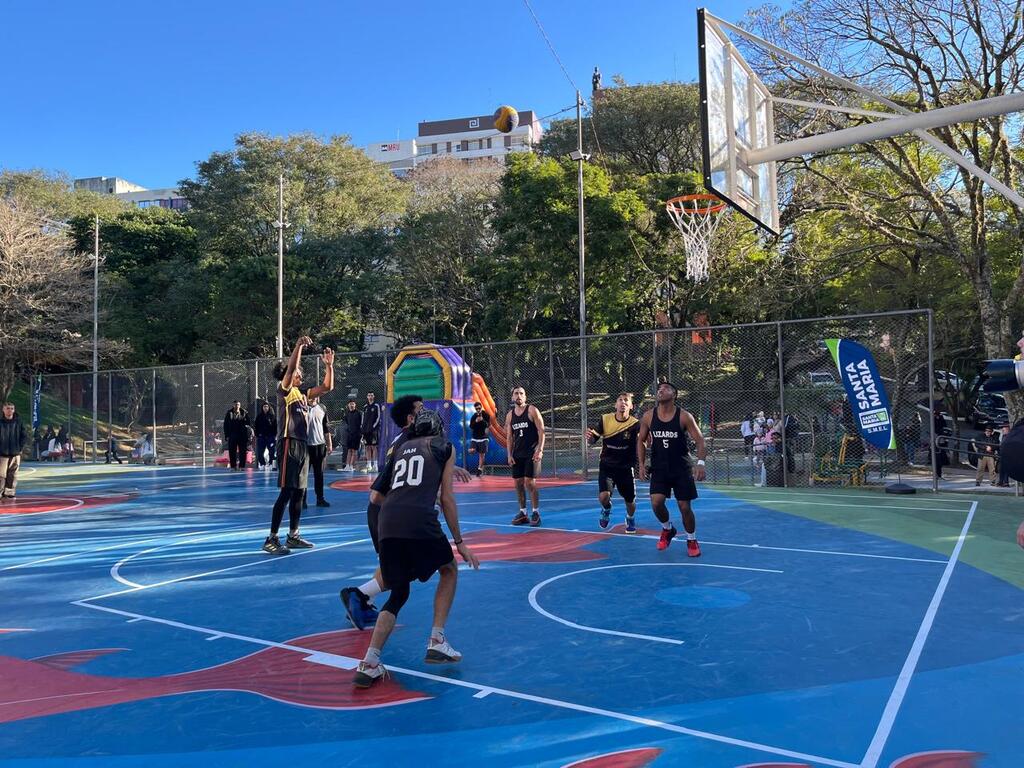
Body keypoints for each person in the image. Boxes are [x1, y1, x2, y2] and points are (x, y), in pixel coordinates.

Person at [352, 409, 480, 688]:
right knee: (449, 569)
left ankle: (370, 662)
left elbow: (377, 495)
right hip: (417, 520)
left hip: (388, 521)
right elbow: (447, 499)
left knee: (399, 592)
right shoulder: (444, 447)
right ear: (438, 430)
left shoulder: (399, 449)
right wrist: (460, 542)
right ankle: (437, 639)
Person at [341, 395, 474, 630]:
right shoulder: (408, 441)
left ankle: (362, 599)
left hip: (388, 509)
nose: (426, 414)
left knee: (394, 565)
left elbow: (413, 472)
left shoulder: (405, 441)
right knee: (406, 568)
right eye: (421, 410)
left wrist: (450, 469)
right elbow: (391, 487)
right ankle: (359, 595)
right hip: (389, 509)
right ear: (411, 418)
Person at [262, 337, 334, 555]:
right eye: (298, 372)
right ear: (290, 376)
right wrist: (299, 346)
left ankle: (293, 535)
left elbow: (327, 387)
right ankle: (271, 538)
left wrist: (329, 366)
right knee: (286, 492)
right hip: (288, 444)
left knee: (299, 493)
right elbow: (292, 367)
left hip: (303, 445)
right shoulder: (284, 391)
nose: (300, 374)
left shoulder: (304, 395)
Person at [637, 381, 707, 554]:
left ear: (674, 395)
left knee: (684, 507)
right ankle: (667, 529)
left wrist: (700, 463)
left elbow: (700, 440)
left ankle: (691, 540)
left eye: (666, 388)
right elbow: (641, 440)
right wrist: (641, 464)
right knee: (656, 503)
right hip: (659, 467)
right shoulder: (648, 416)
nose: (661, 390)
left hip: (681, 468)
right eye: (659, 389)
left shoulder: (684, 416)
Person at [586, 392, 640, 531]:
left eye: (626, 400)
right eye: (620, 400)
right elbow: (593, 440)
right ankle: (606, 509)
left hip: (626, 467)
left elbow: (642, 442)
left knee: (630, 501)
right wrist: (590, 438)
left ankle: (630, 518)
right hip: (607, 465)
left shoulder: (635, 424)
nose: (623, 403)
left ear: (631, 406)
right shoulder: (605, 419)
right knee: (604, 497)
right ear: (615, 404)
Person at [504, 386, 545, 527]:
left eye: (522, 393)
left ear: (525, 397)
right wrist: (509, 454)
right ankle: (523, 512)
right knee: (518, 484)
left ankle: (536, 512)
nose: (519, 396)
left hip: (531, 452)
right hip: (518, 454)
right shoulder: (510, 415)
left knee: (530, 482)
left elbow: (541, 431)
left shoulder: (532, 410)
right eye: (516, 393)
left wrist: (540, 449)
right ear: (512, 397)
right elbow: (509, 437)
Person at [305, 396, 332, 508]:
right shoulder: (302, 408)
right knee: (303, 475)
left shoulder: (322, 408)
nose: (314, 398)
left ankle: (320, 499)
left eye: (316, 396)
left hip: (319, 446)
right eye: (311, 396)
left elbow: (326, 429)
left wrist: (329, 444)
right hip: (305, 446)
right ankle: (302, 500)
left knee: (319, 474)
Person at [0, 402, 28, 500]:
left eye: (12, 408)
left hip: (15, 453)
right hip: (2, 454)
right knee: (1, 475)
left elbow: (24, 436)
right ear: (3, 410)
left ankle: (9, 493)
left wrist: (19, 448)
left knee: (13, 475)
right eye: (8, 408)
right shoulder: (0, 422)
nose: (10, 410)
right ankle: (0, 493)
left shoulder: (18, 422)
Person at [223, 400, 250, 470]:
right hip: (232, 435)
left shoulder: (244, 413)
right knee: (232, 451)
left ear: (240, 405)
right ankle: (233, 466)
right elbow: (225, 425)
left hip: (242, 435)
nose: (237, 406)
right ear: (233, 405)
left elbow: (248, 424)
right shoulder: (229, 413)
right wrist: (227, 435)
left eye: (238, 404)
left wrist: (247, 435)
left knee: (243, 451)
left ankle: (242, 466)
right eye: (235, 405)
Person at [362, 392, 382, 473]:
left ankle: (375, 465)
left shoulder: (376, 406)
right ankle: (369, 465)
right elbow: (363, 418)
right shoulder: (365, 407)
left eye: (371, 395)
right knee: (367, 447)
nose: (370, 397)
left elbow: (378, 417)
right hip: (366, 431)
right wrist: (362, 428)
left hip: (373, 430)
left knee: (374, 447)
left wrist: (373, 426)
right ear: (367, 397)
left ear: (374, 396)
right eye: (369, 395)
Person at [254, 401, 277, 471]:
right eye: (264, 407)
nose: (265, 408)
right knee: (260, 452)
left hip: (270, 437)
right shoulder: (259, 416)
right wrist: (257, 434)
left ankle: (270, 464)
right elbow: (256, 426)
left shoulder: (273, 416)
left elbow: (276, 427)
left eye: (267, 406)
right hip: (261, 437)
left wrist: (275, 435)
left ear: (269, 407)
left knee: (271, 452)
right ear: (262, 408)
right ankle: (262, 464)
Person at [469, 402, 490, 477]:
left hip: (484, 437)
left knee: (482, 455)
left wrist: (482, 420)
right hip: (475, 437)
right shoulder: (474, 416)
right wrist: (476, 421)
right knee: (471, 451)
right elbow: (471, 426)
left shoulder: (486, 415)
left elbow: (488, 425)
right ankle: (479, 468)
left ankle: (479, 469)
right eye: (476, 409)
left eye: (479, 408)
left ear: (481, 407)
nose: (478, 410)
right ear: (475, 409)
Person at [343, 400, 362, 472]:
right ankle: (347, 466)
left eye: (353, 404)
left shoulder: (359, 413)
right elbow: (347, 423)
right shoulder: (347, 414)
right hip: (349, 434)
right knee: (349, 450)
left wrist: (361, 434)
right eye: (350, 404)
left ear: (355, 405)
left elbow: (361, 424)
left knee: (354, 451)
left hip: (357, 434)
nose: (351, 405)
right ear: (348, 405)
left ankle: (351, 466)